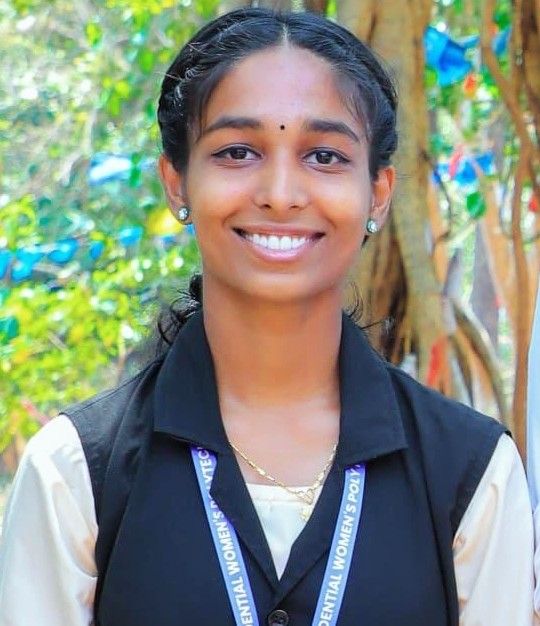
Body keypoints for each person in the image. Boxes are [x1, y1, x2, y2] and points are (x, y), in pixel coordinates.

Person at [0, 8, 536, 626]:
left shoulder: (472, 474)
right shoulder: (74, 474)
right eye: (238, 151)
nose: (280, 194)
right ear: (176, 183)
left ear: (379, 193)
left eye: (325, 156)